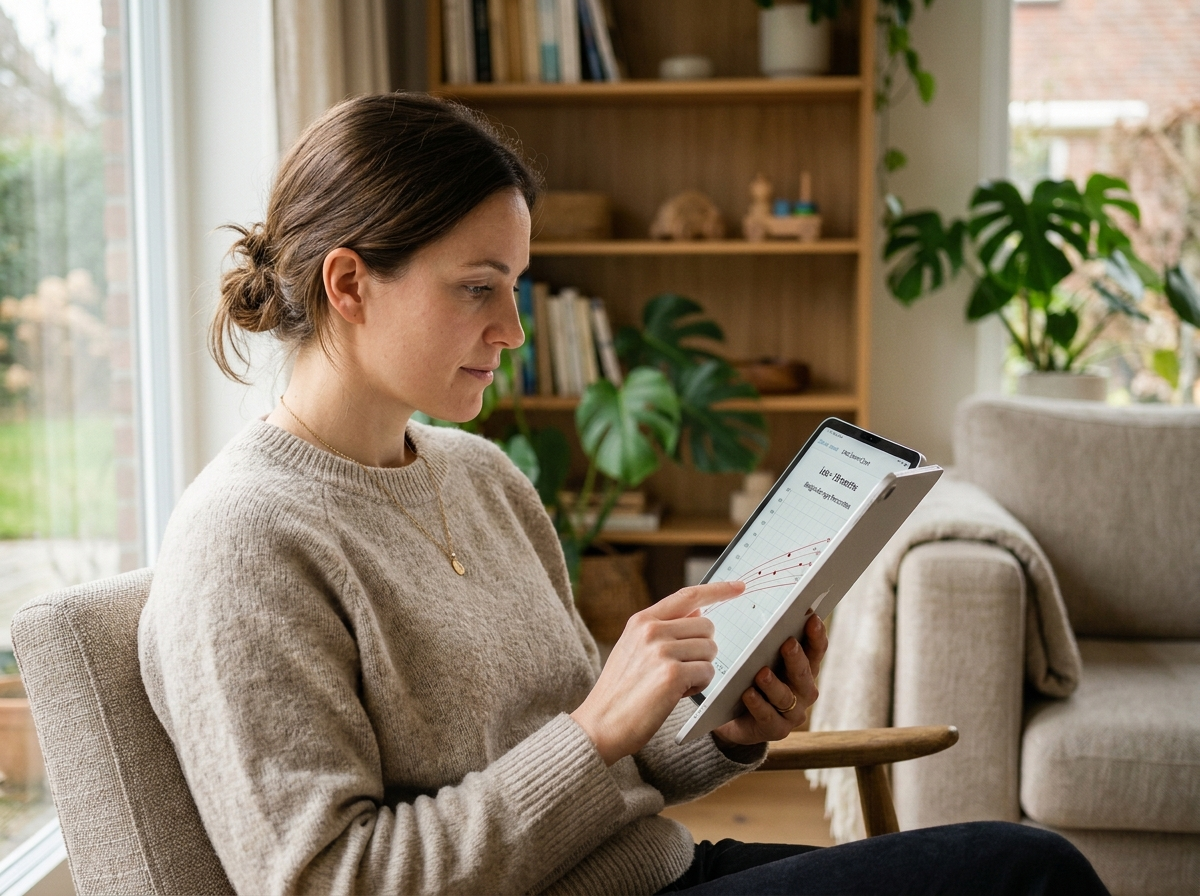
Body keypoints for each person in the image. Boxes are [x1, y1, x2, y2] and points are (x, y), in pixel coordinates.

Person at [138, 93, 1109, 896]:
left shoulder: (479, 474)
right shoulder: (245, 540)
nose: (513, 331)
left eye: (517, 285)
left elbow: (606, 772)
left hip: (660, 871)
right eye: (479, 287)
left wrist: (721, 724)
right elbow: (328, 879)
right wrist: (596, 723)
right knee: (1024, 873)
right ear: (349, 283)